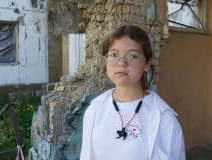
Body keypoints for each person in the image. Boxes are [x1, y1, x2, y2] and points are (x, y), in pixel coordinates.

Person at [80, 25, 186, 160]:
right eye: (114, 54)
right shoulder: (94, 109)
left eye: (133, 56)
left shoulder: (164, 119)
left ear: (147, 63)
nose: (121, 63)